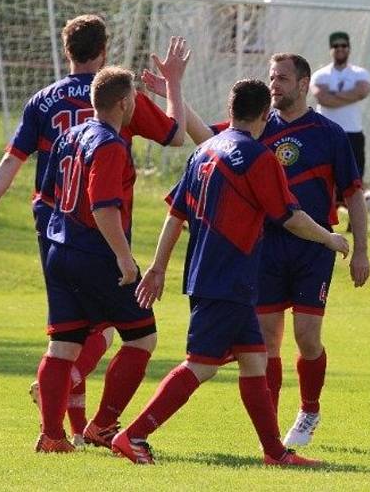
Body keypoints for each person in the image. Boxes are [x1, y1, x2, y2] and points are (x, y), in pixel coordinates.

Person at [0, 14, 188, 445]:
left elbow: (15, 162)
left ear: (67, 50)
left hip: (54, 228)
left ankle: (60, 431)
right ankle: (97, 421)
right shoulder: (121, 99)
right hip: (98, 235)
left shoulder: (45, 102)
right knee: (122, 330)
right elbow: (177, 138)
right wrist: (172, 86)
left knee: (69, 333)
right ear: (104, 50)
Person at [111, 78, 349, 466]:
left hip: (213, 275)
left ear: (232, 108)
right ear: (264, 115)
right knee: (201, 365)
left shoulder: (204, 151)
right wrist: (329, 239)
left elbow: (175, 214)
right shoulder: (256, 157)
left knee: (255, 360)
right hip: (228, 278)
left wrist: (157, 268)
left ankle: (274, 453)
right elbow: (290, 217)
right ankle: (132, 435)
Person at [184, 53, 370, 448]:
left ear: (304, 84)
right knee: (268, 342)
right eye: (272, 77)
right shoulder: (253, 128)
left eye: (283, 78)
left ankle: (309, 409)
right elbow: (204, 135)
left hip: (313, 246)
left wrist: (361, 252)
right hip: (264, 249)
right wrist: (173, 90)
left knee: (306, 337)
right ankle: (271, 428)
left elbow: (353, 194)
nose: (275, 84)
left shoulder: (329, 133)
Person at [33, 65, 179, 453]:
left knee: (63, 345)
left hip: (58, 250)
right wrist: (125, 258)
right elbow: (102, 207)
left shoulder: (68, 136)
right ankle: (101, 426)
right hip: (96, 255)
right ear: (124, 101)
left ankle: (52, 436)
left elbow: (46, 195)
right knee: (142, 338)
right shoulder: (111, 145)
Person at [310, 31, 370, 179]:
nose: (340, 49)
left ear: (349, 48)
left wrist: (333, 93)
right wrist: (351, 95)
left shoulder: (360, 73)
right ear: (331, 49)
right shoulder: (320, 74)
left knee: (354, 179)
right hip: (326, 132)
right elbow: (323, 99)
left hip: (352, 131)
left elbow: (362, 92)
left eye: (344, 45)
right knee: (325, 177)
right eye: (336, 46)